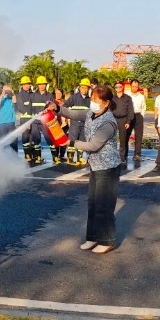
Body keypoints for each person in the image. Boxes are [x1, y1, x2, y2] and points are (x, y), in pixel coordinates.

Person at [50, 85, 121, 254]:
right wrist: (57, 108)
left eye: (96, 100)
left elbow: (93, 145)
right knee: (93, 204)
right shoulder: (91, 113)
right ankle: (93, 237)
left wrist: (71, 142)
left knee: (104, 205)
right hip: (95, 166)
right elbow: (73, 114)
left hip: (107, 168)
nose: (93, 102)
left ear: (106, 103)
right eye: (92, 98)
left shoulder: (108, 122)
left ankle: (107, 240)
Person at [63, 78, 91, 165]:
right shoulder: (74, 97)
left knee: (81, 142)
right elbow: (65, 106)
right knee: (72, 140)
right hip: (74, 123)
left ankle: (79, 158)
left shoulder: (90, 99)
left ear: (88, 89)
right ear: (79, 88)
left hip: (84, 124)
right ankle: (70, 158)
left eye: (86, 88)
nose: (84, 89)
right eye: (83, 87)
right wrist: (68, 116)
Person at [111, 82, 135, 165]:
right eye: (116, 87)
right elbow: (109, 109)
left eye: (120, 87)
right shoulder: (112, 98)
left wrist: (128, 121)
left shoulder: (127, 98)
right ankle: (112, 156)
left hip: (123, 120)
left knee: (123, 139)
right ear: (115, 89)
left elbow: (130, 110)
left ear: (122, 87)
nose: (118, 88)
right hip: (113, 119)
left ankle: (122, 157)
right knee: (112, 139)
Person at [15, 76, 36, 162]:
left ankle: (34, 155)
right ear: (22, 85)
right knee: (25, 137)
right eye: (25, 84)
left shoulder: (33, 94)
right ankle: (27, 155)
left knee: (33, 137)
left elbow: (35, 107)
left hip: (33, 119)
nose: (27, 86)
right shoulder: (20, 95)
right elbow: (21, 108)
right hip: (25, 119)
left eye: (28, 84)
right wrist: (28, 121)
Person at [126, 79, 147, 161]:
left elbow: (143, 107)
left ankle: (137, 154)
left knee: (138, 136)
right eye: (133, 86)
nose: (135, 88)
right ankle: (124, 154)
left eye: (136, 86)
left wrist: (142, 116)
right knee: (126, 135)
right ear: (130, 86)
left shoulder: (141, 96)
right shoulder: (126, 95)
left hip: (138, 116)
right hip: (128, 117)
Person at [0, 84, 18, 151]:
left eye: (7, 90)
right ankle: (3, 155)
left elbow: (15, 101)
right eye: (4, 89)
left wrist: (12, 93)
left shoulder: (12, 98)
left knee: (13, 141)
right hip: (1, 123)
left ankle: (14, 155)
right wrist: (2, 95)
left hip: (11, 122)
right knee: (3, 141)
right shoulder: (1, 98)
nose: (6, 91)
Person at [54, 88, 69, 163]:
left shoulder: (64, 103)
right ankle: (56, 155)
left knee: (64, 139)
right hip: (56, 123)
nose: (58, 95)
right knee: (57, 140)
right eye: (57, 93)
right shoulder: (53, 102)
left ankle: (62, 155)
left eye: (60, 93)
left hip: (64, 123)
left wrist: (66, 121)